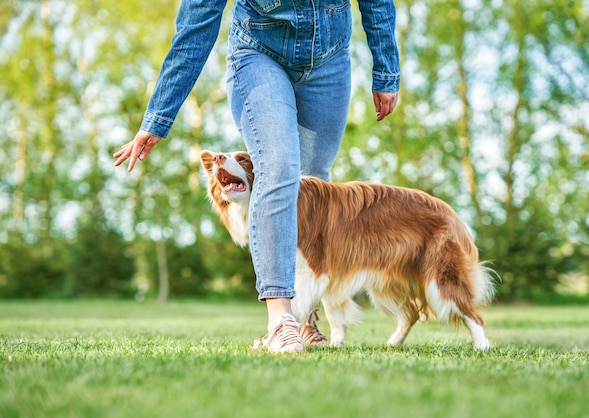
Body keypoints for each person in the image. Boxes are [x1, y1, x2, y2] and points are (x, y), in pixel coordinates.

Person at [114, 0, 400, 353]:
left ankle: (304, 317)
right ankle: (281, 320)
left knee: (314, 187)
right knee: (278, 166)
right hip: (258, 53)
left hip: (329, 59)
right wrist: (158, 117)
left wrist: (387, 69)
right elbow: (195, 27)